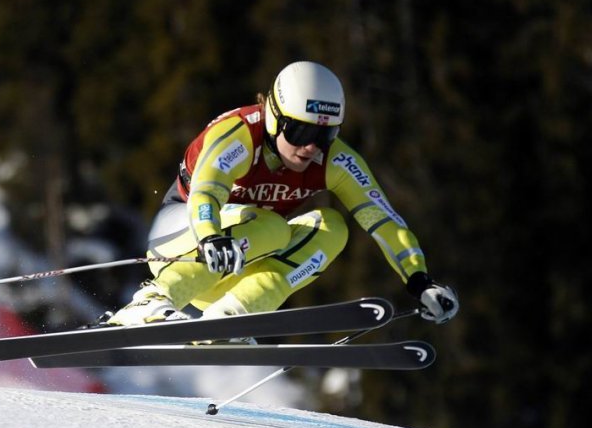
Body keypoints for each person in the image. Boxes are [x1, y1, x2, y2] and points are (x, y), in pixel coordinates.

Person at [100, 61, 458, 329]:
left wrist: (420, 280)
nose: (311, 148)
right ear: (275, 117)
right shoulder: (240, 135)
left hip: (230, 266)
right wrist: (210, 236)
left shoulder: (334, 160)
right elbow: (205, 193)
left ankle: (230, 319)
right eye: (301, 132)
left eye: (325, 135)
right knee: (273, 226)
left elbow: (382, 220)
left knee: (333, 227)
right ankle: (149, 300)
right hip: (180, 246)